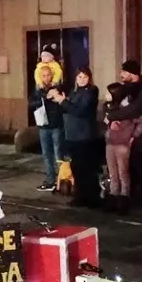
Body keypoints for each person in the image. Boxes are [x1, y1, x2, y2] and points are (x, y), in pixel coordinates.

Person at [105, 59, 142, 208]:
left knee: (140, 170)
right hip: (120, 137)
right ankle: (119, 199)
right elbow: (111, 104)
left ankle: (141, 201)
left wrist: (113, 116)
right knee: (121, 171)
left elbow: (134, 111)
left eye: (124, 71)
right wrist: (109, 117)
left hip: (140, 138)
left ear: (132, 73)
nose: (121, 74)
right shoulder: (126, 89)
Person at [51, 68, 100, 207]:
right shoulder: (74, 91)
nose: (82, 79)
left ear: (89, 78)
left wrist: (63, 101)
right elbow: (67, 108)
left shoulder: (91, 91)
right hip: (72, 134)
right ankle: (80, 195)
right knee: (76, 167)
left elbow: (80, 111)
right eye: (79, 76)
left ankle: (92, 197)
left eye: (85, 77)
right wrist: (60, 101)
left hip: (84, 135)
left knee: (87, 167)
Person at [104, 82, 142, 214]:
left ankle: (124, 200)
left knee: (123, 173)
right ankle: (113, 198)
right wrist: (109, 124)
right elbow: (105, 119)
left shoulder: (129, 108)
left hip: (123, 143)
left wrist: (133, 135)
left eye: (110, 93)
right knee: (113, 173)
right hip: (110, 143)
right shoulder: (109, 107)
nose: (107, 95)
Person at [29, 65, 64, 192]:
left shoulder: (58, 88)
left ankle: (62, 180)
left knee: (58, 154)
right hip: (43, 125)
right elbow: (31, 104)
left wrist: (55, 97)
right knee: (46, 154)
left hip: (56, 125)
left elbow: (63, 105)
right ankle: (50, 180)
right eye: (43, 75)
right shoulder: (37, 90)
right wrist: (44, 98)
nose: (46, 78)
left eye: (48, 75)